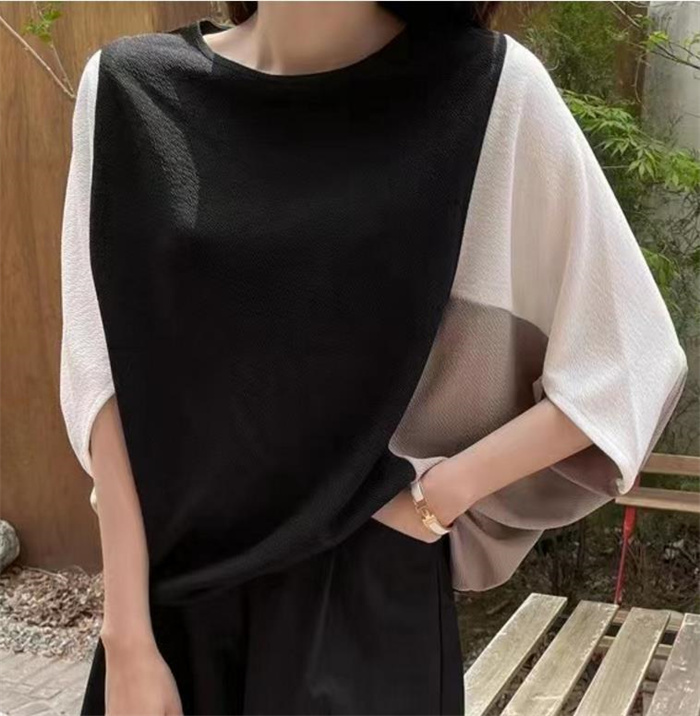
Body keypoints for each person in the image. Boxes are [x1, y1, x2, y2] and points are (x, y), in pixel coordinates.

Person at [59, 1, 688, 714]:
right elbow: (102, 378)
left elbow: (628, 357)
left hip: (365, 606)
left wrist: (438, 498)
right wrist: (126, 636)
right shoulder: (128, 91)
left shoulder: (484, 92)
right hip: (171, 613)